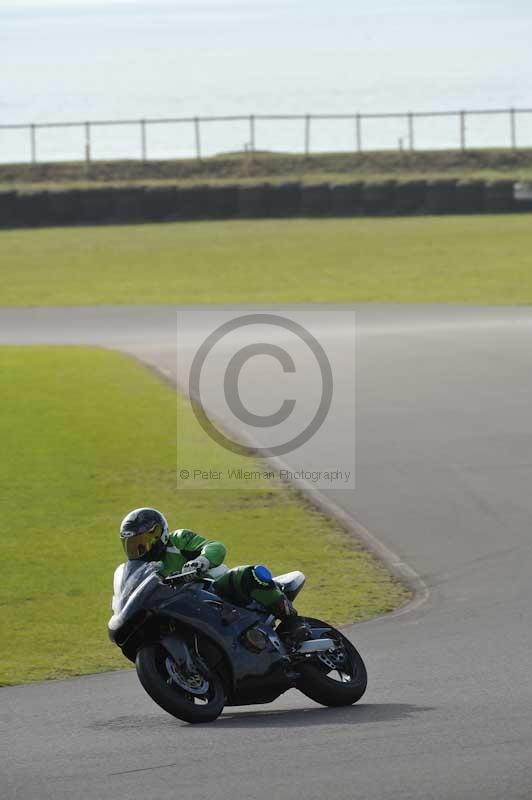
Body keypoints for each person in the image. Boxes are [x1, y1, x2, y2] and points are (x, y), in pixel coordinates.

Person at [117, 507, 309, 643]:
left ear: (159, 534)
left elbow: (215, 547)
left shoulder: (178, 540)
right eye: (133, 546)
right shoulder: (143, 569)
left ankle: (293, 622)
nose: (140, 550)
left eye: (143, 542)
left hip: (215, 590)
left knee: (248, 574)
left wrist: (202, 561)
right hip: (183, 608)